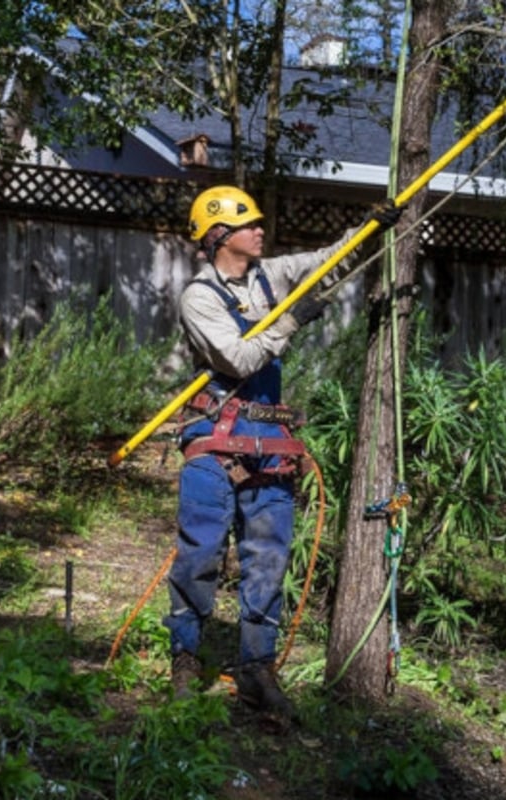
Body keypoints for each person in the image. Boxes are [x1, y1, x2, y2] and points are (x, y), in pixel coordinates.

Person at [166, 185, 397, 720]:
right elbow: (242, 359)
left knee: (267, 560)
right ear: (220, 235)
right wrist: (293, 321)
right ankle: (184, 660)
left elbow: (327, 264)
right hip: (214, 437)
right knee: (199, 555)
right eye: (249, 225)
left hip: (270, 441)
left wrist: (367, 232)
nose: (261, 230)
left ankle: (256, 671)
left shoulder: (272, 275)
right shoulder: (199, 297)